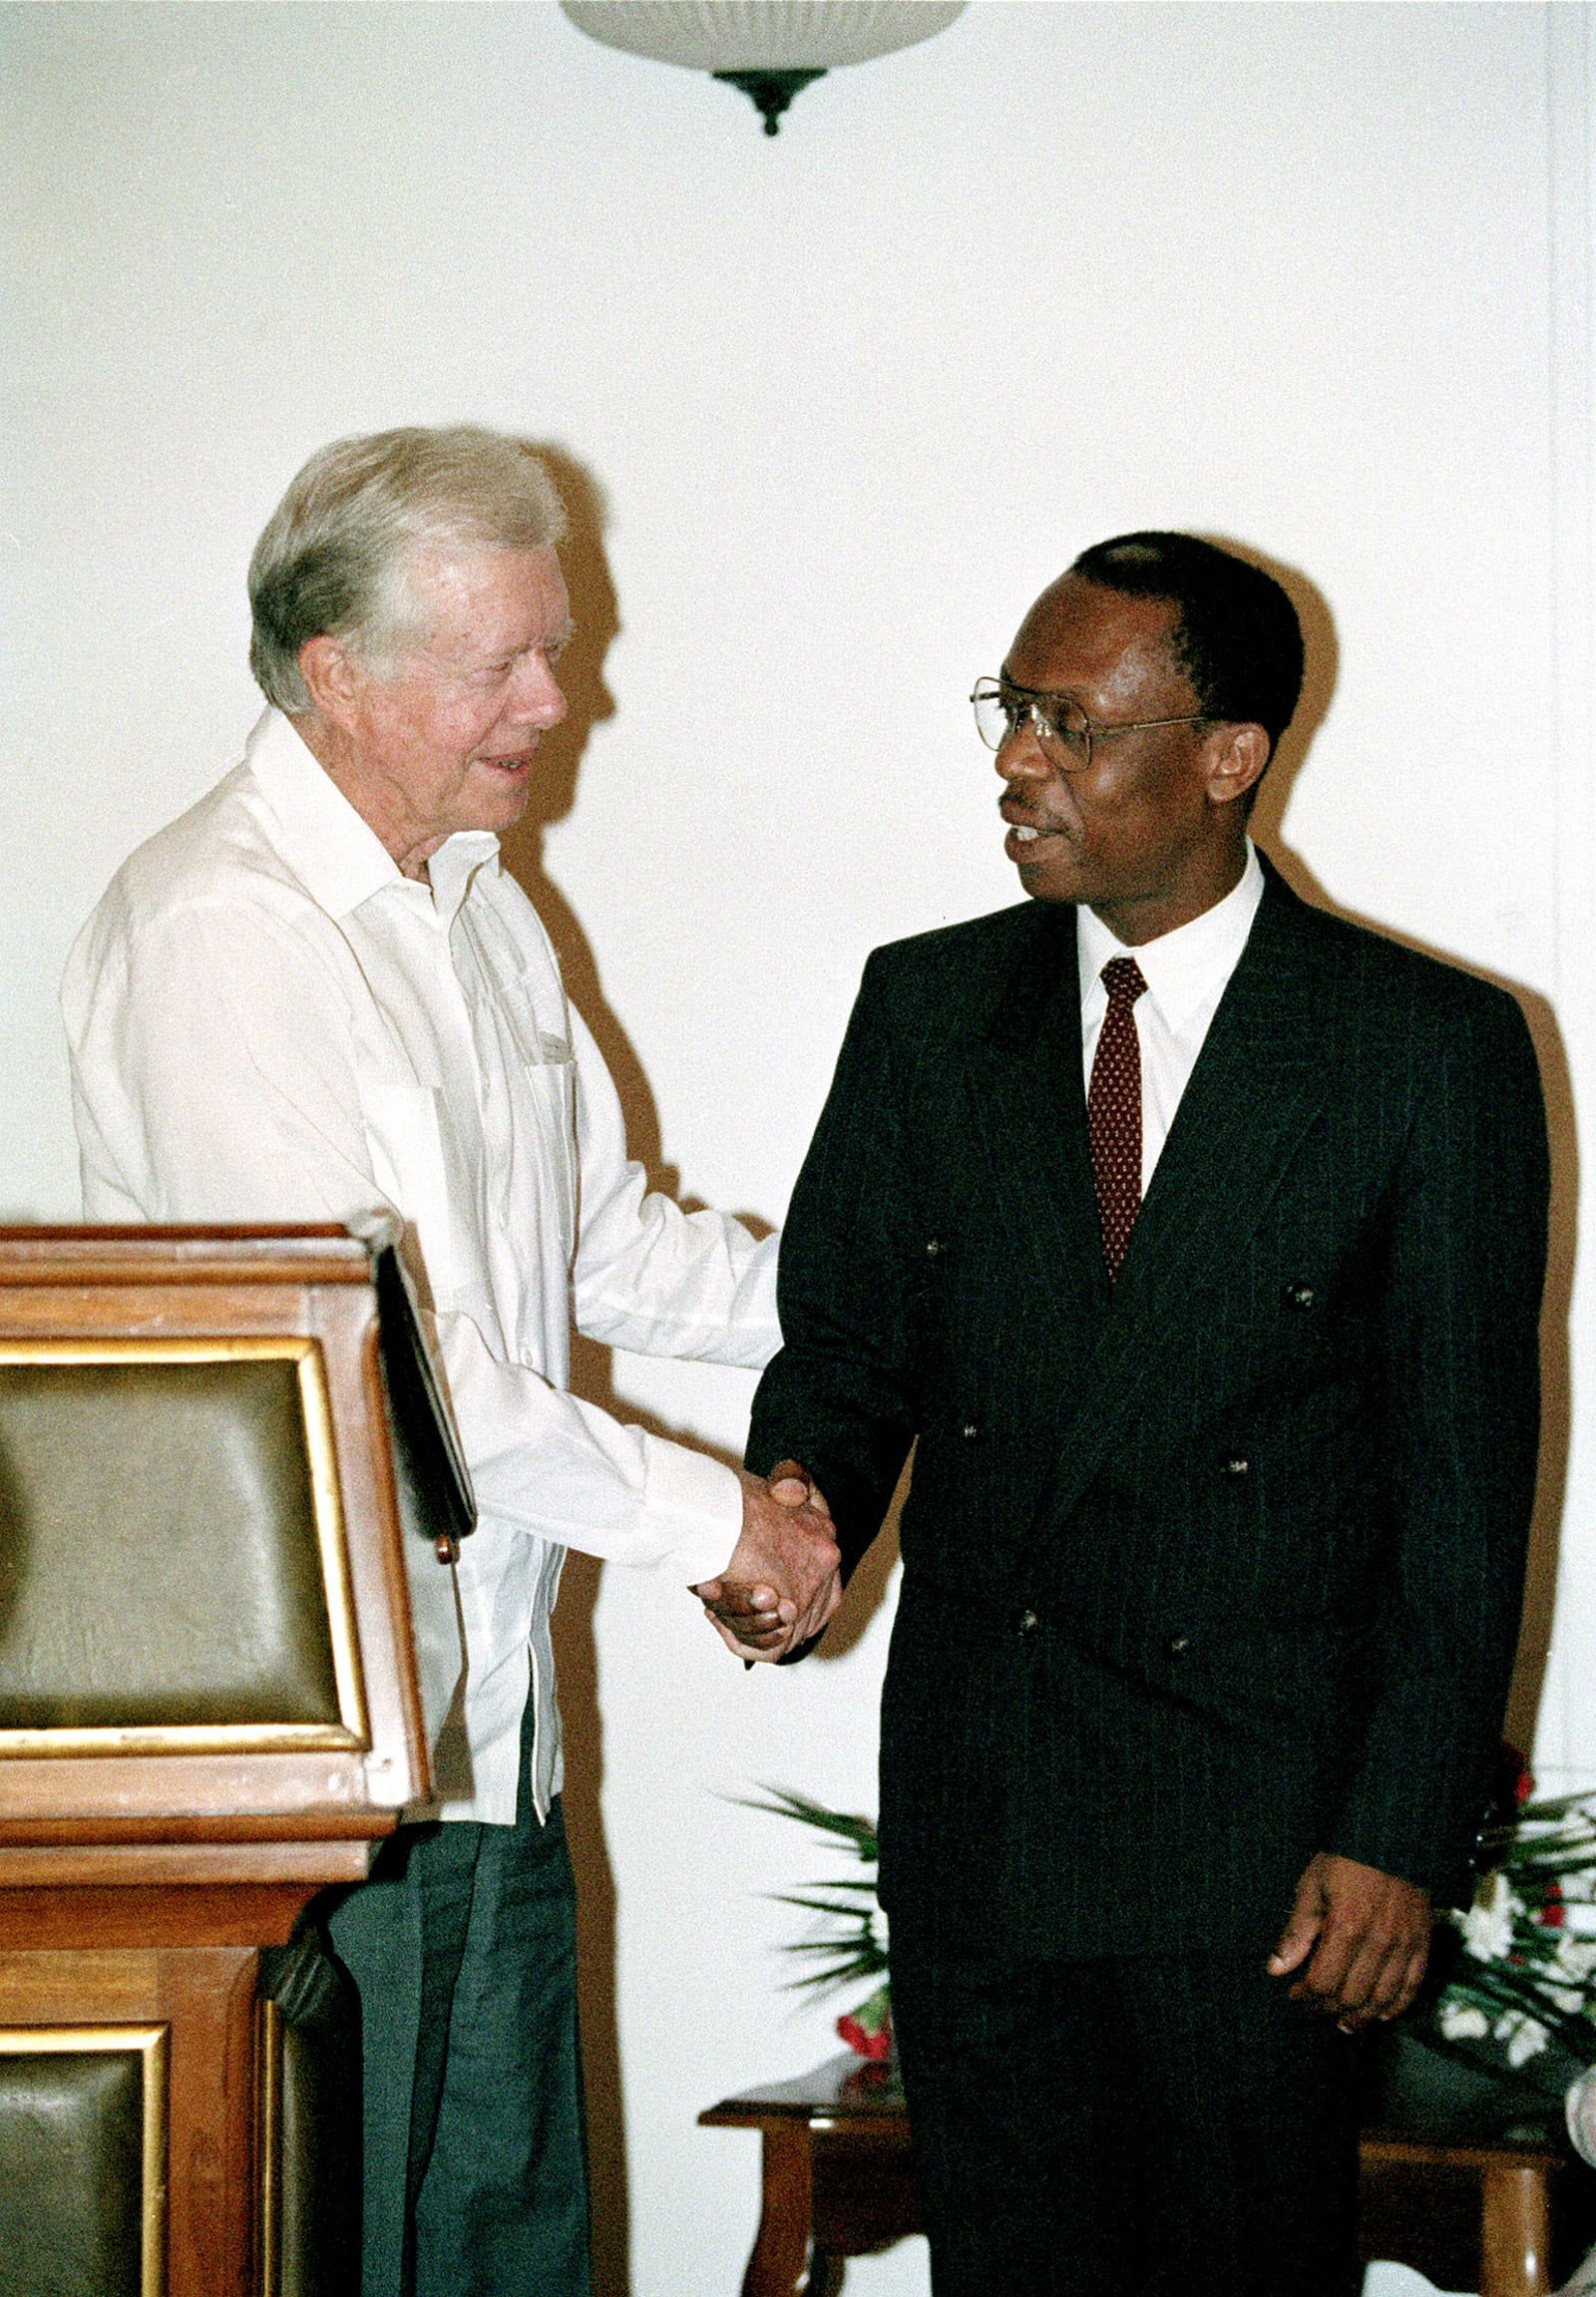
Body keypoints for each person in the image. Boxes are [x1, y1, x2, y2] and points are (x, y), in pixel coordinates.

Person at [61, 425, 839, 2297]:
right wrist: (718, 1517)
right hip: (313, 1783)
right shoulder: (225, 933)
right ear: (338, 671)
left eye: (550, 650)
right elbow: (392, 1376)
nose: (559, 701)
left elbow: (614, 1250)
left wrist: (927, 1300)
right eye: (504, 661)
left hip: (494, 1752)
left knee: (509, 2258)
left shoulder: (484, 910)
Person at [738, 533, 1550, 2295]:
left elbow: (1467, 1485)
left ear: (1226, 754)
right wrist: (799, 1505)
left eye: (1070, 723)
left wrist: (1399, 1837)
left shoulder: (1426, 1048)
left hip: (1263, 1853)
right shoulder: (926, 1006)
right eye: (1008, 713)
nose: (1017, 761)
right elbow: (847, 1344)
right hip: (989, 1816)